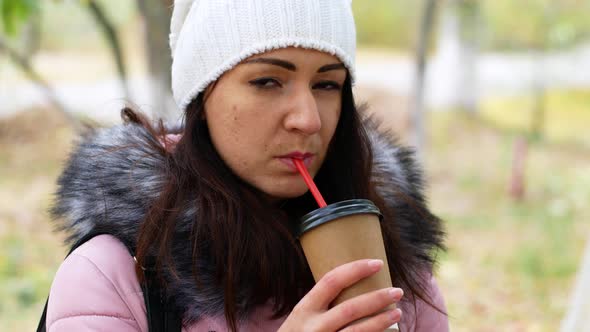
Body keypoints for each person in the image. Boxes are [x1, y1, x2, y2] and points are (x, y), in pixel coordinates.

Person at [44, 0, 448, 331]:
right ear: (202, 98)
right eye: (267, 81)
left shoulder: (388, 258)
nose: (308, 119)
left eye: (327, 84)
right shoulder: (113, 274)